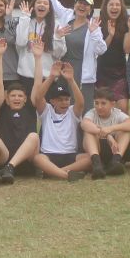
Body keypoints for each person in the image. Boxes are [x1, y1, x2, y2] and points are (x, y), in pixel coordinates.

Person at [30, 53, 90, 182]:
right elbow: (38, 98)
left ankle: (55, 172)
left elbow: (81, 103)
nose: (64, 103)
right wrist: (51, 77)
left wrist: (71, 80)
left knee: (89, 158)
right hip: (49, 155)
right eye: (60, 100)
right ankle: (66, 175)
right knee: (38, 158)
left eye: (67, 99)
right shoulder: (47, 111)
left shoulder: (72, 112)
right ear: (52, 101)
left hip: (70, 155)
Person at [0, 38, 40, 184]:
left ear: (25, 99)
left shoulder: (30, 107)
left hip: (27, 160)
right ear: (6, 98)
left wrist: (38, 58)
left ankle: (10, 167)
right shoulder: (2, 108)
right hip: (5, 157)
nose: (16, 98)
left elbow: (37, 83)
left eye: (20, 96)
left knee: (34, 136)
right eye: (13, 96)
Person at [81, 87, 130, 179]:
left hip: (115, 150)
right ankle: (97, 165)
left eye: (103, 103)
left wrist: (111, 128)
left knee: (125, 130)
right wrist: (108, 136)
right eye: (96, 103)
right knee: (89, 132)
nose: (99, 107)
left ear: (112, 104)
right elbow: (84, 124)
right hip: (98, 151)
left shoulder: (117, 113)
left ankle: (116, 161)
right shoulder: (92, 113)